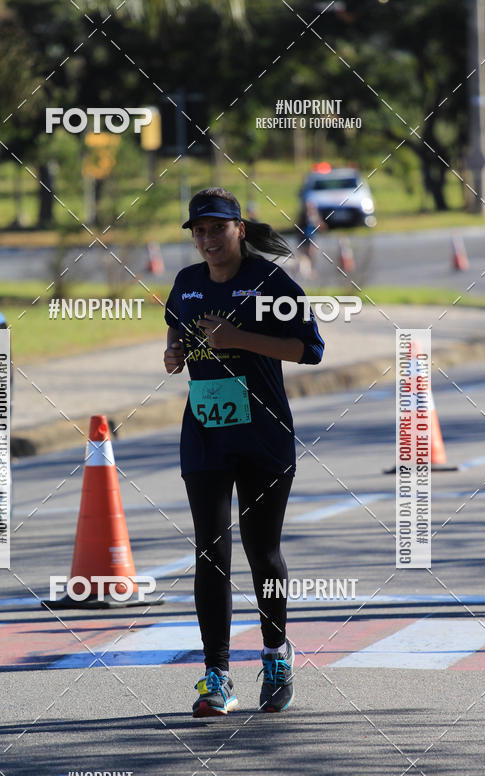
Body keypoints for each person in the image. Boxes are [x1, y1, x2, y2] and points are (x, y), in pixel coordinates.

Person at [163, 187, 324, 718]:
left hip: (263, 435)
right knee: (211, 553)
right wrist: (174, 354)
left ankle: (277, 655)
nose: (207, 239)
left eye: (216, 228)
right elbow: (176, 337)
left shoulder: (272, 283)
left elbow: (310, 350)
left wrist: (240, 336)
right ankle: (217, 676)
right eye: (198, 231)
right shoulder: (186, 284)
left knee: (263, 552)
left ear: (239, 228)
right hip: (207, 432)